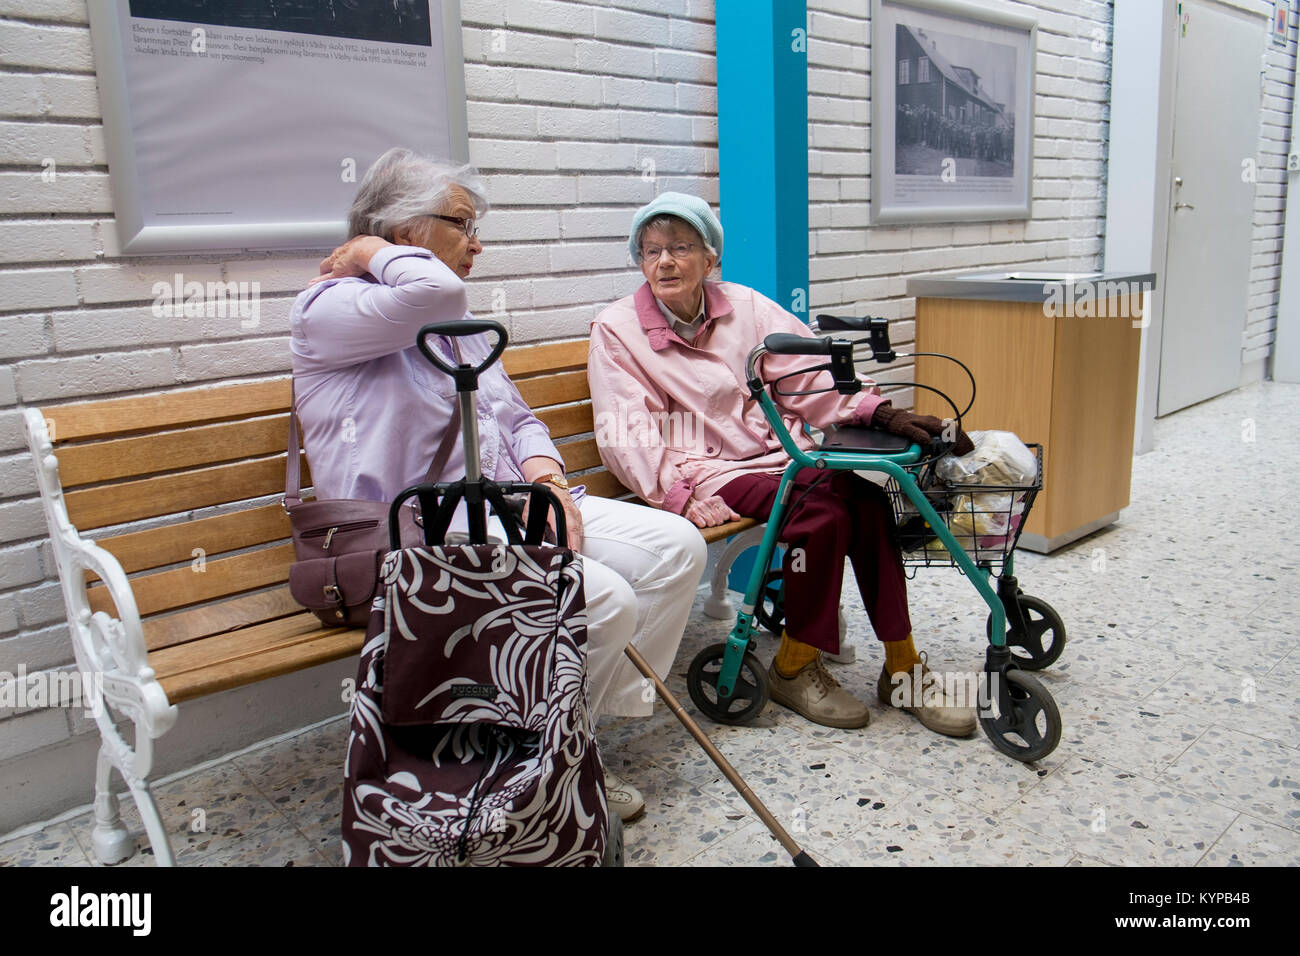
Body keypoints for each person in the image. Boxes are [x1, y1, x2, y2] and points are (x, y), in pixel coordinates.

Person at [290, 150, 707, 822]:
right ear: (402, 230)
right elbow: (434, 293)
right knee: (601, 600)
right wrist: (368, 248)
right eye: (462, 223)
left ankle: (566, 745)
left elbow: (512, 416)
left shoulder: (450, 326)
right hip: (420, 537)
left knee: (676, 549)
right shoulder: (330, 308)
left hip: (508, 506)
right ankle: (532, 775)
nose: (477, 244)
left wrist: (547, 478)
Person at [588, 192, 976, 736]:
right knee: (822, 515)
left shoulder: (743, 306)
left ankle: (903, 665)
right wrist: (673, 493)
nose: (665, 262)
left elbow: (807, 372)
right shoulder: (617, 329)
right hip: (710, 473)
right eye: (651, 251)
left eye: (680, 247)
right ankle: (794, 666)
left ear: (709, 257)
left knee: (867, 497)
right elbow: (624, 427)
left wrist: (875, 412)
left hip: (781, 454)